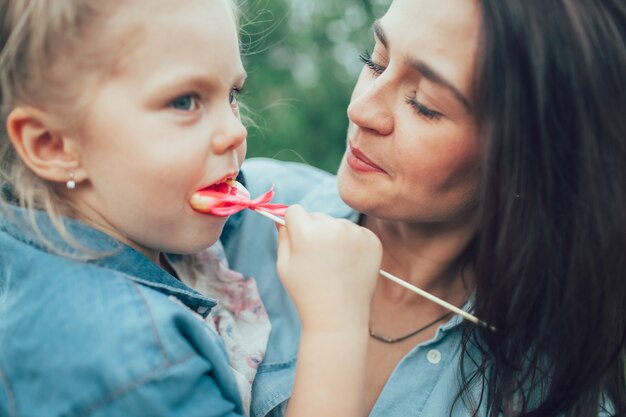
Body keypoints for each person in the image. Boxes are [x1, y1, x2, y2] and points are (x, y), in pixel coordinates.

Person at [222, 0, 626, 416]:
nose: (361, 109)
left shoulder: (551, 397)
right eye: (375, 62)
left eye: (424, 104)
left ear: (527, 158)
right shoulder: (234, 215)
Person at [0, 0, 383, 416]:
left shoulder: (133, 228)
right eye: (184, 102)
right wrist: (336, 325)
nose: (235, 132)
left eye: (232, 94)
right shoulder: (130, 355)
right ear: (53, 145)